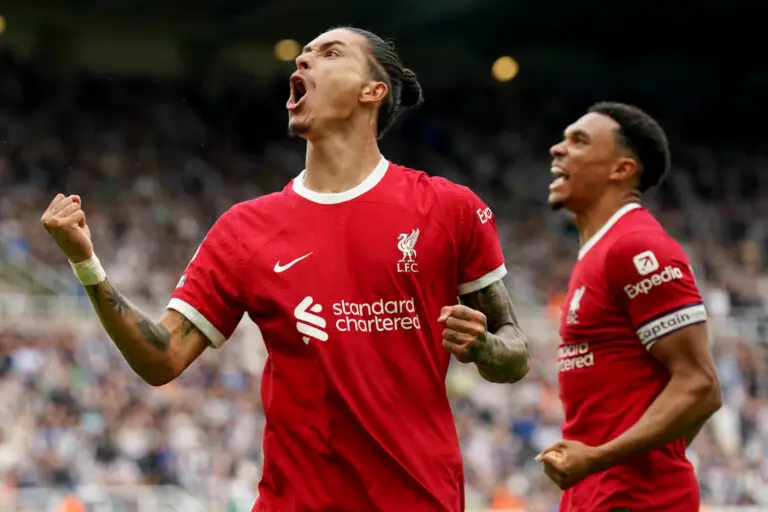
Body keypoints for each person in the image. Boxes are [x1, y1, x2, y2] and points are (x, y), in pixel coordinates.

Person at [41, 27, 531, 512]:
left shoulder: (448, 209)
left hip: (420, 500)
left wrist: (485, 346)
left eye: (330, 53)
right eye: (303, 53)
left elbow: (515, 352)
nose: (303, 60)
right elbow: (161, 358)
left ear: (372, 90)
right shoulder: (244, 230)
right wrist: (86, 263)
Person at [536, 102, 722, 511]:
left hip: (635, 500)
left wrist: (604, 459)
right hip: (599, 495)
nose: (557, 149)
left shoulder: (636, 246)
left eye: (579, 141)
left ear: (621, 169)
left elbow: (701, 386)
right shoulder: (599, 252)